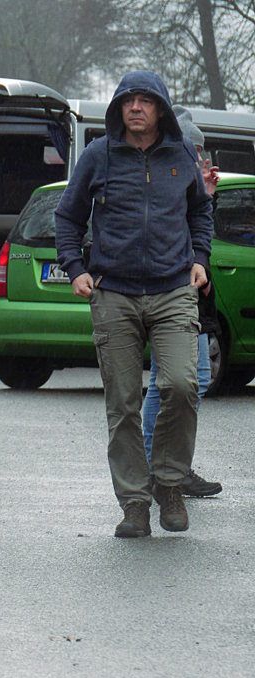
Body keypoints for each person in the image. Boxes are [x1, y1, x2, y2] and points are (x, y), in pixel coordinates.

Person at [55, 71, 213, 538]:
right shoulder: (98, 155)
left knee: (183, 386)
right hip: (113, 293)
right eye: (128, 100)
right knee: (122, 404)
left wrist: (200, 258)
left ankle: (169, 484)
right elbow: (68, 215)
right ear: (118, 108)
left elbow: (200, 210)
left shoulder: (182, 153)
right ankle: (134, 503)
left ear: (161, 108)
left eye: (146, 100)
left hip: (172, 290)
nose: (136, 107)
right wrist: (74, 268)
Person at [142, 105, 222, 497]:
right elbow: (174, 236)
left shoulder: (189, 183)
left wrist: (207, 197)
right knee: (172, 382)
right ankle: (160, 466)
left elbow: (198, 236)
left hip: (190, 300)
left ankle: (170, 465)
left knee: (184, 381)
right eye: (197, 149)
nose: (202, 159)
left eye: (204, 152)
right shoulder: (163, 179)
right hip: (170, 297)